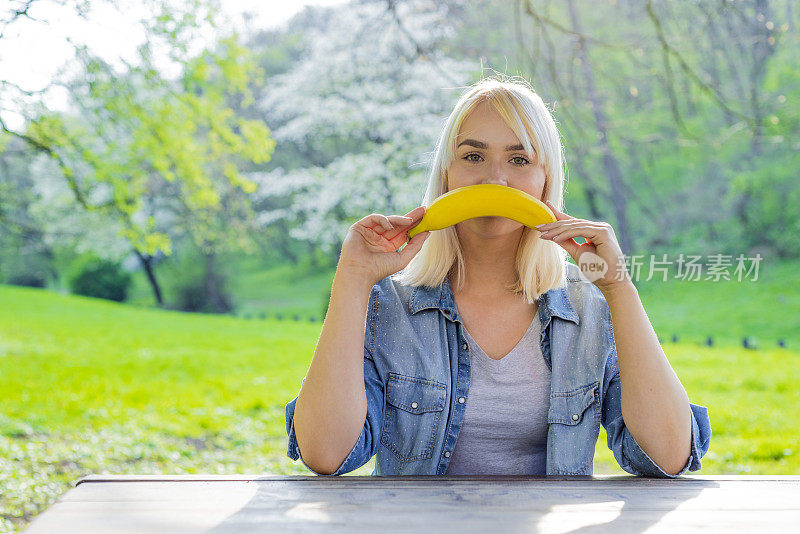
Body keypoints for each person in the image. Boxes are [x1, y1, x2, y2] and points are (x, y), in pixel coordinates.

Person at [284, 75, 711, 477]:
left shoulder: (591, 308)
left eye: (519, 158)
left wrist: (619, 289)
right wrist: (354, 276)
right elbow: (325, 453)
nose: (495, 178)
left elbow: (667, 456)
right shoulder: (387, 306)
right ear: (446, 175)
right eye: (473, 156)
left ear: (546, 181)